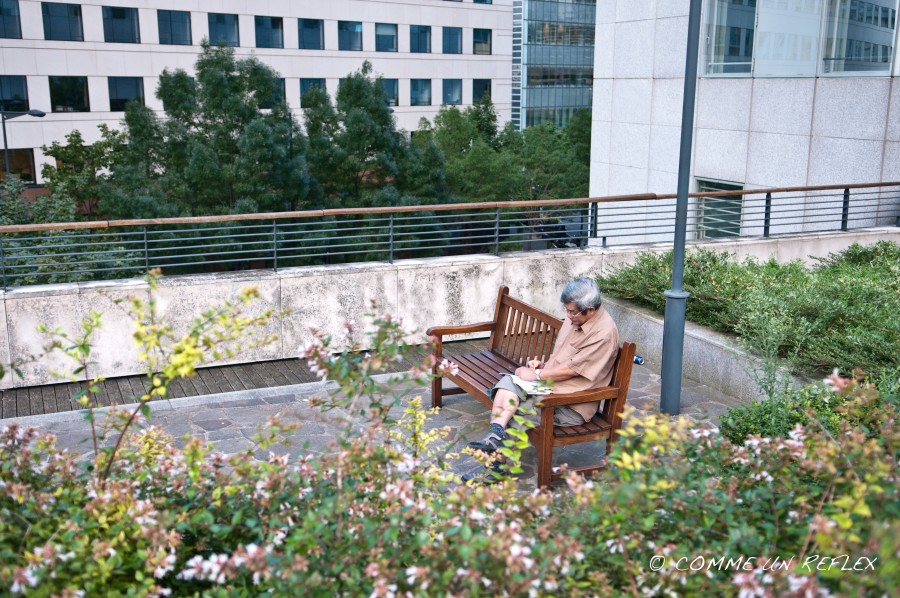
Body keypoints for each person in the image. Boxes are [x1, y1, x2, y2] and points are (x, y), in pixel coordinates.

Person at [462, 277, 619, 482]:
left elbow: (573, 369)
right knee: (508, 383)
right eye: (567, 310)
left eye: (572, 312)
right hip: (551, 388)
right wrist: (543, 366)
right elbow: (566, 360)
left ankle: (495, 469)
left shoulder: (604, 333)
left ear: (591, 309)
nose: (568, 316)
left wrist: (536, 375)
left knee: (515, 409)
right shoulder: (577, 318)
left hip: (570, 403)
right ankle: (495, 435)